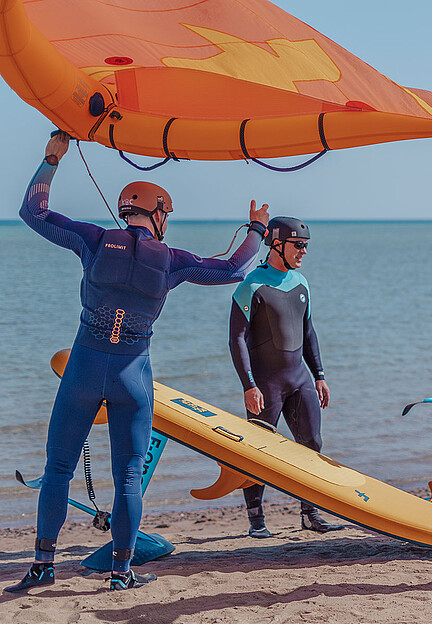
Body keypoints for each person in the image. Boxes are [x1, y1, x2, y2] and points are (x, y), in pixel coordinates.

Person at [5, 131, 267, 593]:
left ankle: (43, 565)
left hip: (84, 367)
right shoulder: (170, 260)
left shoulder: (95, 239)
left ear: (127, 209)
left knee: (58, 467)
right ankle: (121, 573)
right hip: (132, 374)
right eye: (167, 214)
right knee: (127, 473)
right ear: (159, 212)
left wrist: (52, 158)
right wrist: (257, 231)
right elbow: (233, 270)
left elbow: (33, 212)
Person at [230, 216, 341, 537]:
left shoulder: (301, 283)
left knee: (312, 444)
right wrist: (248, 385)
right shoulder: (251, 286)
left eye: (306, 246)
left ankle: (309, 514)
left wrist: (319, 375)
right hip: (265, 385)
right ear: (277, 244)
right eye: (299, 246)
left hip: (300, 379)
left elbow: (308, 332)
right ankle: (256, 521)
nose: (304, 252)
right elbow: (236, 339)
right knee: (257, 453)